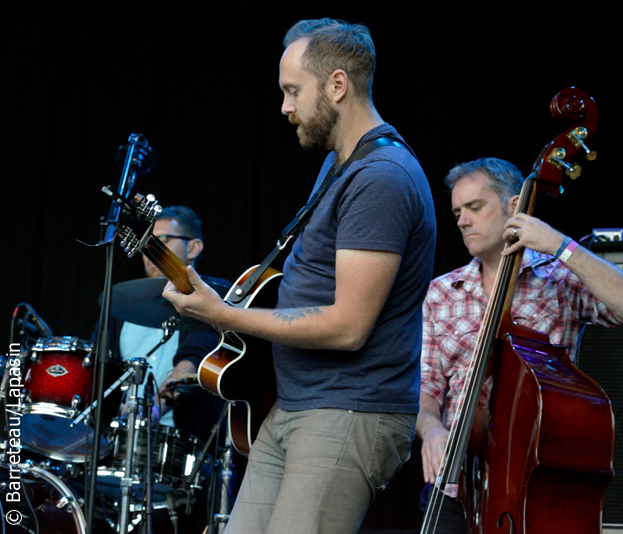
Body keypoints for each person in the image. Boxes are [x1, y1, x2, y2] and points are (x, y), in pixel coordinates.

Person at [163, 18, 436, 534]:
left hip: (347, 410)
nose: (285, 107)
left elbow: (348, 326)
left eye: (293, 91)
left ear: (337, 85)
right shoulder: (340, 164)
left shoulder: (381, 178)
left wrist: (224, 313)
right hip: (294, 404)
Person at [415, 158, 623, 532]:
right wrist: (432, 431)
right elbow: (424, 391)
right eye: (457, 211)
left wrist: (561, 245)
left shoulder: (559, 279)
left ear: (513, 207)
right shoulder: (441, 293)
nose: (462, 220)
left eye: (475, 208)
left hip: (531, 489)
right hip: (456, 489)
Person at [93, 205, 230, 533]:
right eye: (146, 244)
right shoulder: (122, 304)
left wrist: (154, 405)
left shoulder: (216, 297)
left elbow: (193, 356)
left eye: (163, 241)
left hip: (187, 448)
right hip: (120, 442)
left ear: (193, 247)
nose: (150, 252)